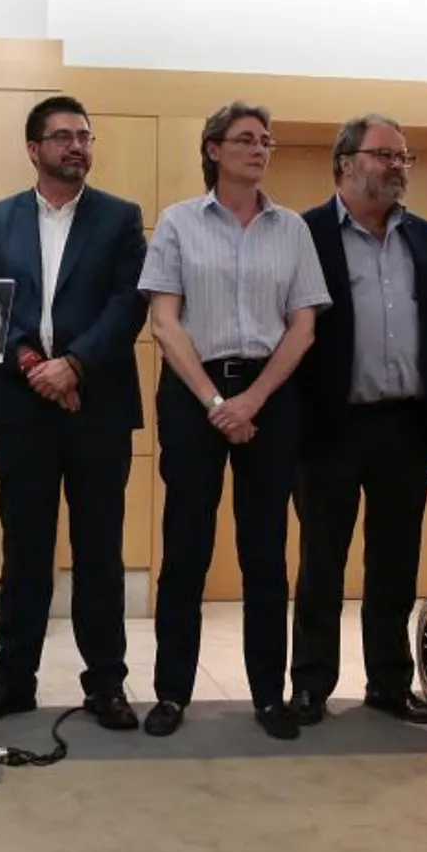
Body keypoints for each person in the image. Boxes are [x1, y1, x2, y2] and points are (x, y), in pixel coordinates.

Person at [139, 101, 333, 741]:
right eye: (245, 139)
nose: (259, 149)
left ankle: (266, 695)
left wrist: (251, 401)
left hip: (272, 396)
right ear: (213, 148)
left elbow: (303, 326)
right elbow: (164, 322)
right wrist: (216, 403)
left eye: (266, 140)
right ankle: (171, 693)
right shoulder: (178, 223)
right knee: (187, 545)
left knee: (265, 551)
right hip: (195, 392)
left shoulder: (293, 231)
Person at [0, 96, 149, 730]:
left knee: (99, 550)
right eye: (63, 136)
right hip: (21, 406)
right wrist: (35, 369)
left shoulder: (122, 219)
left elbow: (129, 305)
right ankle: (14, 677)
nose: (77, 146)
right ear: (33, 148)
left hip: (97, 403)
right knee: (25, 548)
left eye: (85, 136)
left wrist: (73, 365)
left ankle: (106, 683)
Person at [289, 112, 427, 727]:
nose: (397, 166)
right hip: (329, 424)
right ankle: (311, 685)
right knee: (322, 562)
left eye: (404, 157)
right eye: (385, 154)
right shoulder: (304, 234)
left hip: (404, 424)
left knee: (394, 562)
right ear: (345, 164)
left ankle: (389, 682)